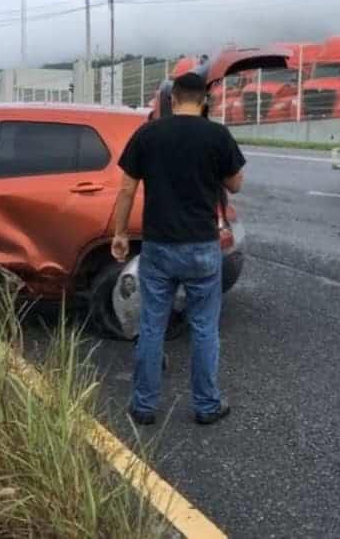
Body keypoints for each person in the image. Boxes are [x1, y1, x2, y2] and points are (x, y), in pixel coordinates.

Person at [111, 72, 245, 426]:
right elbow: (236, 183)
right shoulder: (216, 135)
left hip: (158, 247)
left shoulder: (148, 134)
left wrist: (121, 233)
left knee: (152, 325)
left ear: (172, 100)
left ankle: (143, 406)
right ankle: (206, 405)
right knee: (203, 327)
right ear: (204, 101)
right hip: (202, 246)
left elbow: (125, 190)